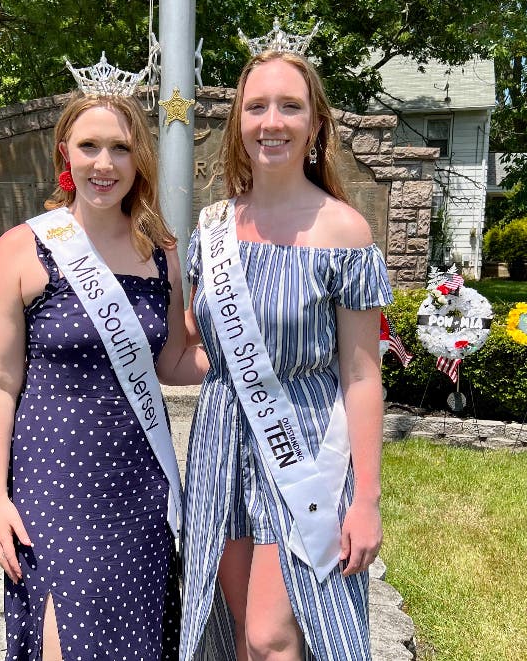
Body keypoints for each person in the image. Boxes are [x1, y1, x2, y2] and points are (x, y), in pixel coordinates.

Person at [0, 80, 208, 660]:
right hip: (53, 480)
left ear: (140, 161)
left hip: (139, 480)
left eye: (121, 149)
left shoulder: (162, 252)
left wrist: (263, 353)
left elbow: (173, 361)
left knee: (134, 634)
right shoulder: (23, 248)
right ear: (65, 154)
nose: (104, 164)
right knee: (62, 636)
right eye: (89, 147)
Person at [180, 48, 394, 661]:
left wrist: (367, 501)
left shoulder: (345, 232)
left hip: (302, 450)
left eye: (290, 106)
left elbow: (360, 375)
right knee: (238, 622)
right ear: (239, 123)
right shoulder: (213, 228)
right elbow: (201, 353)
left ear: (315, 123)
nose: (271, 121)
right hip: (221, 446)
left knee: (272, 634)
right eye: (257, 106)